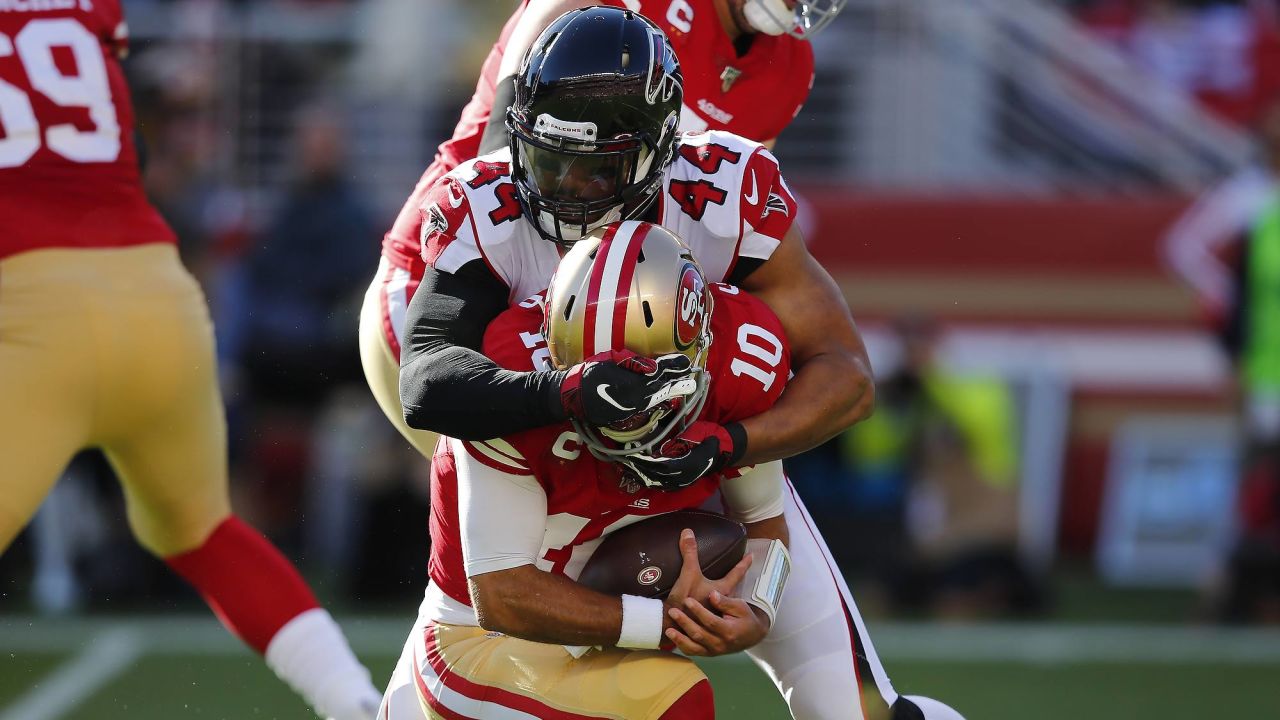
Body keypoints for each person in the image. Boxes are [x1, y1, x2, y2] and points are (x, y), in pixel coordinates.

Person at [396, 10, 961, 719]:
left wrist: (729, 453)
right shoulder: (495, 224)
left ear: (659, 152)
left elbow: (845, 377)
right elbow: (428, 381)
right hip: (547, 461)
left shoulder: (725, 222)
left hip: (693, 465)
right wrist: (565, 392)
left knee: (856, 711)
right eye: (548, 158)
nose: (566, 186)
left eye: (594, 166)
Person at [0, 4, 379, 718]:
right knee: (204, 532)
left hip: (32, 312)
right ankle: (356, 701)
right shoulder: (79, 10)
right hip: (154, 292)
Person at [359, 0, 843, 463]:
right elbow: (505, 160)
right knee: (551, 488)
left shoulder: (789, 67)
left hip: (612, 294)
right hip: (483, 277)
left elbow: (717, 227)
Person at [380, 221, 794, 718]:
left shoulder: (739, 370)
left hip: (593, 643)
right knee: (673, 701)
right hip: (477, 643)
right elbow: (502, 595)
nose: (618, 409)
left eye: (640, 380)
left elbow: (766, 523)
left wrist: (757, 608)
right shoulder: (505, 378)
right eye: (599, 377)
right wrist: (667, 621)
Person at [1165, 94, 1280, 623]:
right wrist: (1224, 301)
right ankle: (1228, 588)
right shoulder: (1250, 200)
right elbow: (1185, 248)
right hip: (1265, 373)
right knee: (1255, 487)